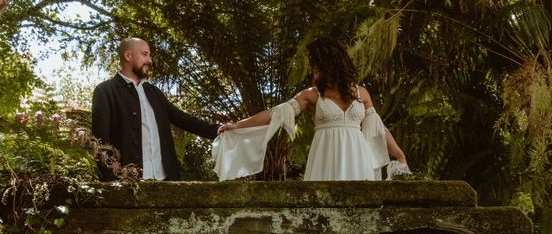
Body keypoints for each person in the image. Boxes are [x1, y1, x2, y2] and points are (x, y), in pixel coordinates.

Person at [215, 37, 408, 180]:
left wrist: (399, 155)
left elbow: (379, 129)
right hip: (326, 156)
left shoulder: (362, 93)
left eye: (317, 68)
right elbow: (276, 114)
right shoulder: (311, 95)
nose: (314, 73)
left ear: (332, 65)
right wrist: (237, 125)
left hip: (357, 157)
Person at [91, 37, 220, 181]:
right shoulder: (105, 91)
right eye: (145, 54)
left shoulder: (154, 92)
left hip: (166, 180)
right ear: (128, 56)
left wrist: (217, 130)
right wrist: (112, 183)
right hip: (129, 184)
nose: (150, 60)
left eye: (149, 55)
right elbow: (100, 144)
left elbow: (182, 119)